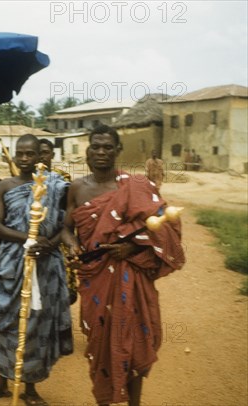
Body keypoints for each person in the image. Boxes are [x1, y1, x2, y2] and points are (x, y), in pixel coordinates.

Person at [61, 125, 185, 406]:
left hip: (131, 275)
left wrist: (132, 246)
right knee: (101, 340)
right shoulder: (77, 188)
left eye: (108, 147)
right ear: (88, 151)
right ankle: (104, 400)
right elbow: (66, 227)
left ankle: (134, 403)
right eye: (96, 147)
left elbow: (166, 227)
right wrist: (72, 245)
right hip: (95, 278)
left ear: (118, 151)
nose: (101, 152)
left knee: (135, 339)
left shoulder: (135, 186)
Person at [0, 135, 73, 405]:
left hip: (45, 263)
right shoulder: (6, 185)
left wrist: (47, 244)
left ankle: (30, 388)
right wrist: (26, 239)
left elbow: (67, 226)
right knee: (7, 321)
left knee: (37, 324)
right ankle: (1, 381)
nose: (26, 158)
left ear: (41, 156)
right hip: (13, 263)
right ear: (14, 155)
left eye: (31, 153)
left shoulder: (56, 186)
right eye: (21, 153)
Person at [39, 138, 77, 304]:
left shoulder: (62, 178)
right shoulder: (27, 179)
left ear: (52, 154)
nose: (41, 157)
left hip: (59, 237)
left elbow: (70, 211)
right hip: (35, 239)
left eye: (45, 153)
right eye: (38, 153)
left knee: (63, 289)